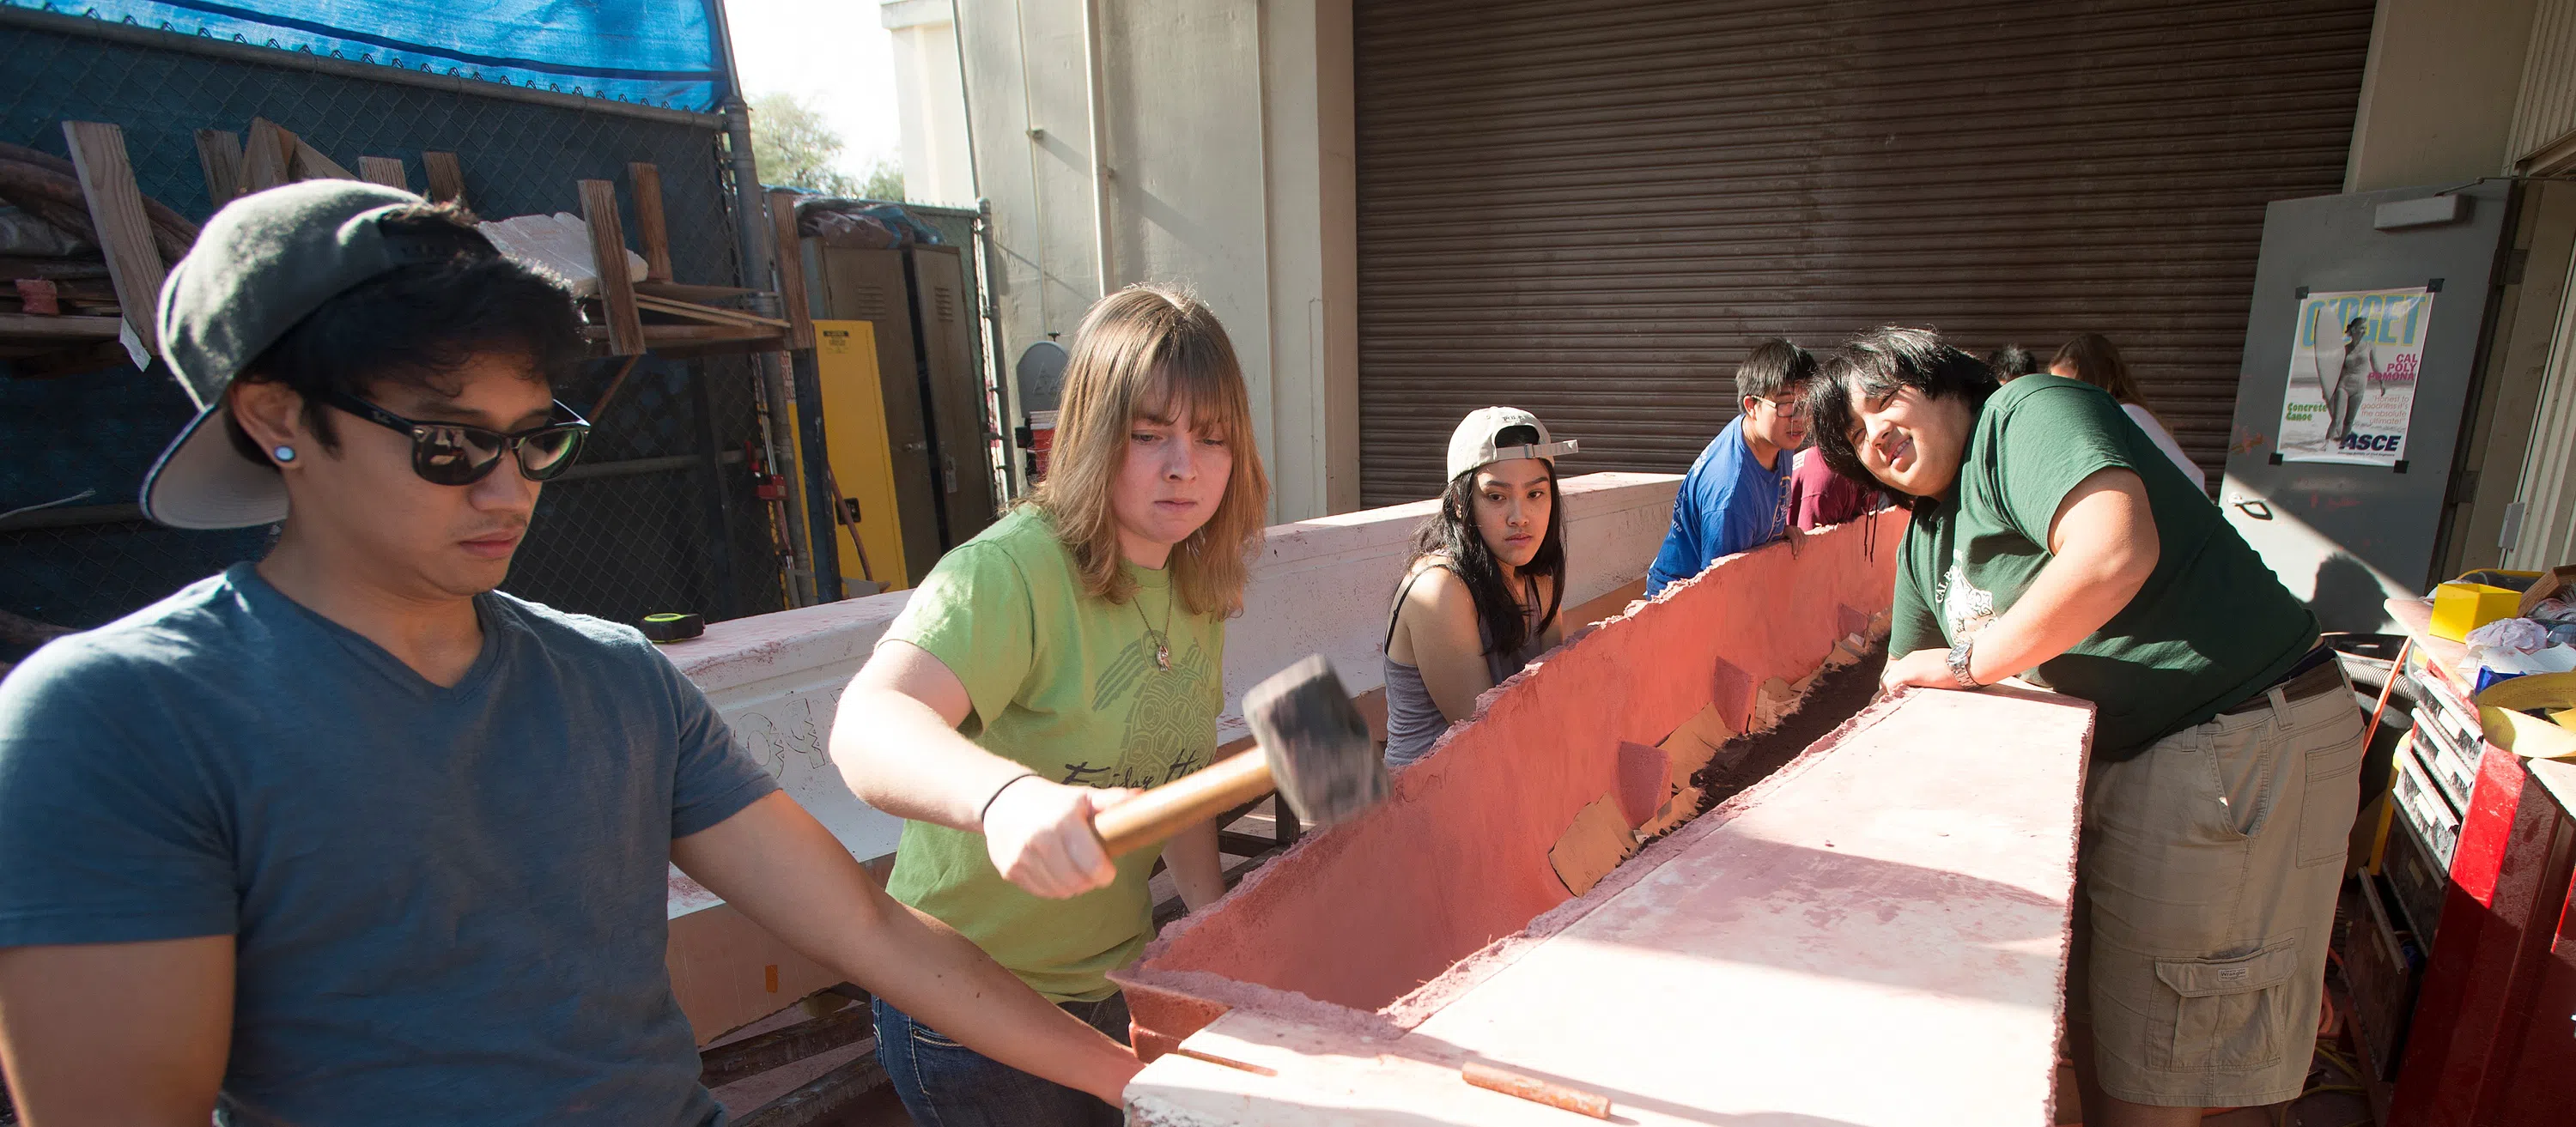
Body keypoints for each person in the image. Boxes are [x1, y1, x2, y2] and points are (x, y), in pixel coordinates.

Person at [0, 183, 1139, 1126]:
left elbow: (867, 925)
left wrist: (1146, 1086)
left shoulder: (614, 680)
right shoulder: (120, 719)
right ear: (275, 418)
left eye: (537, 436)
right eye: (451, 443)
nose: (511, 490)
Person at [1808, 327, 2361, 1127]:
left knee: (2165, 1057)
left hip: (2226, 732)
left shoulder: (2024, 414)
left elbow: (2111, 552)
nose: (1875, 434)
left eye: (1885, 399)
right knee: (2106, 1028)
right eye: (1854, 435)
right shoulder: (1930, 533)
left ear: (1947, 381)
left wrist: (1971, 665)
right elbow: (1905, 685)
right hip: (2136, 751)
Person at [829, 284, 1269, 1125]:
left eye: (1211, 438)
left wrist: (1213, 935)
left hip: (1110, 978)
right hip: (965, 1005)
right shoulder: (1008, 572)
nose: (1184, 465)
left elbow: (1176, 781)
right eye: (1149, 434)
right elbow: (868, 724)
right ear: (1093, 434)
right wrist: (1006, 797)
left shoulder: (1192, 577)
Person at [1382, 409, 1577, 767]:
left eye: (1536, 494)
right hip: (1425, 804)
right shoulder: (1441, 589)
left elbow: (1554, 699)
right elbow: (1487, 741)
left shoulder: (1538, 580)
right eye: (1496, 496)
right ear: (1460, 504)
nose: (1520, 516)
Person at [1644, 339, 1812, 596]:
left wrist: (1775, 534)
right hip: (1683, 603)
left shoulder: (1777, 437)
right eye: (1786, 405)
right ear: (1751, 406)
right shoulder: (1730, 494)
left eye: (1806, 403)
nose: (1799, 418)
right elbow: (1720, 592)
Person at [2050, 333, 2206, 491]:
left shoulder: (2125, 416)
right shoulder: (2123, 415)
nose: (2062, 397)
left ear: (2096, 381)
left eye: (2069, 387)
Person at [2321, 316, 2382, 442]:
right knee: (2337, 419)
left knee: (2349, 420)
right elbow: (2336, 371)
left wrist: (2382, 383)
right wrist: (2327, 389)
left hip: (2359, 388)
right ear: (2353, 330)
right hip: (2344, 386)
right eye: (2361, 328)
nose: (2364, 331)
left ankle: (2342, 445)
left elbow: (2375, 365)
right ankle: (2326, 445)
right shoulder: (2345, 349)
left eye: (2365, 328)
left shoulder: (2370, 346)